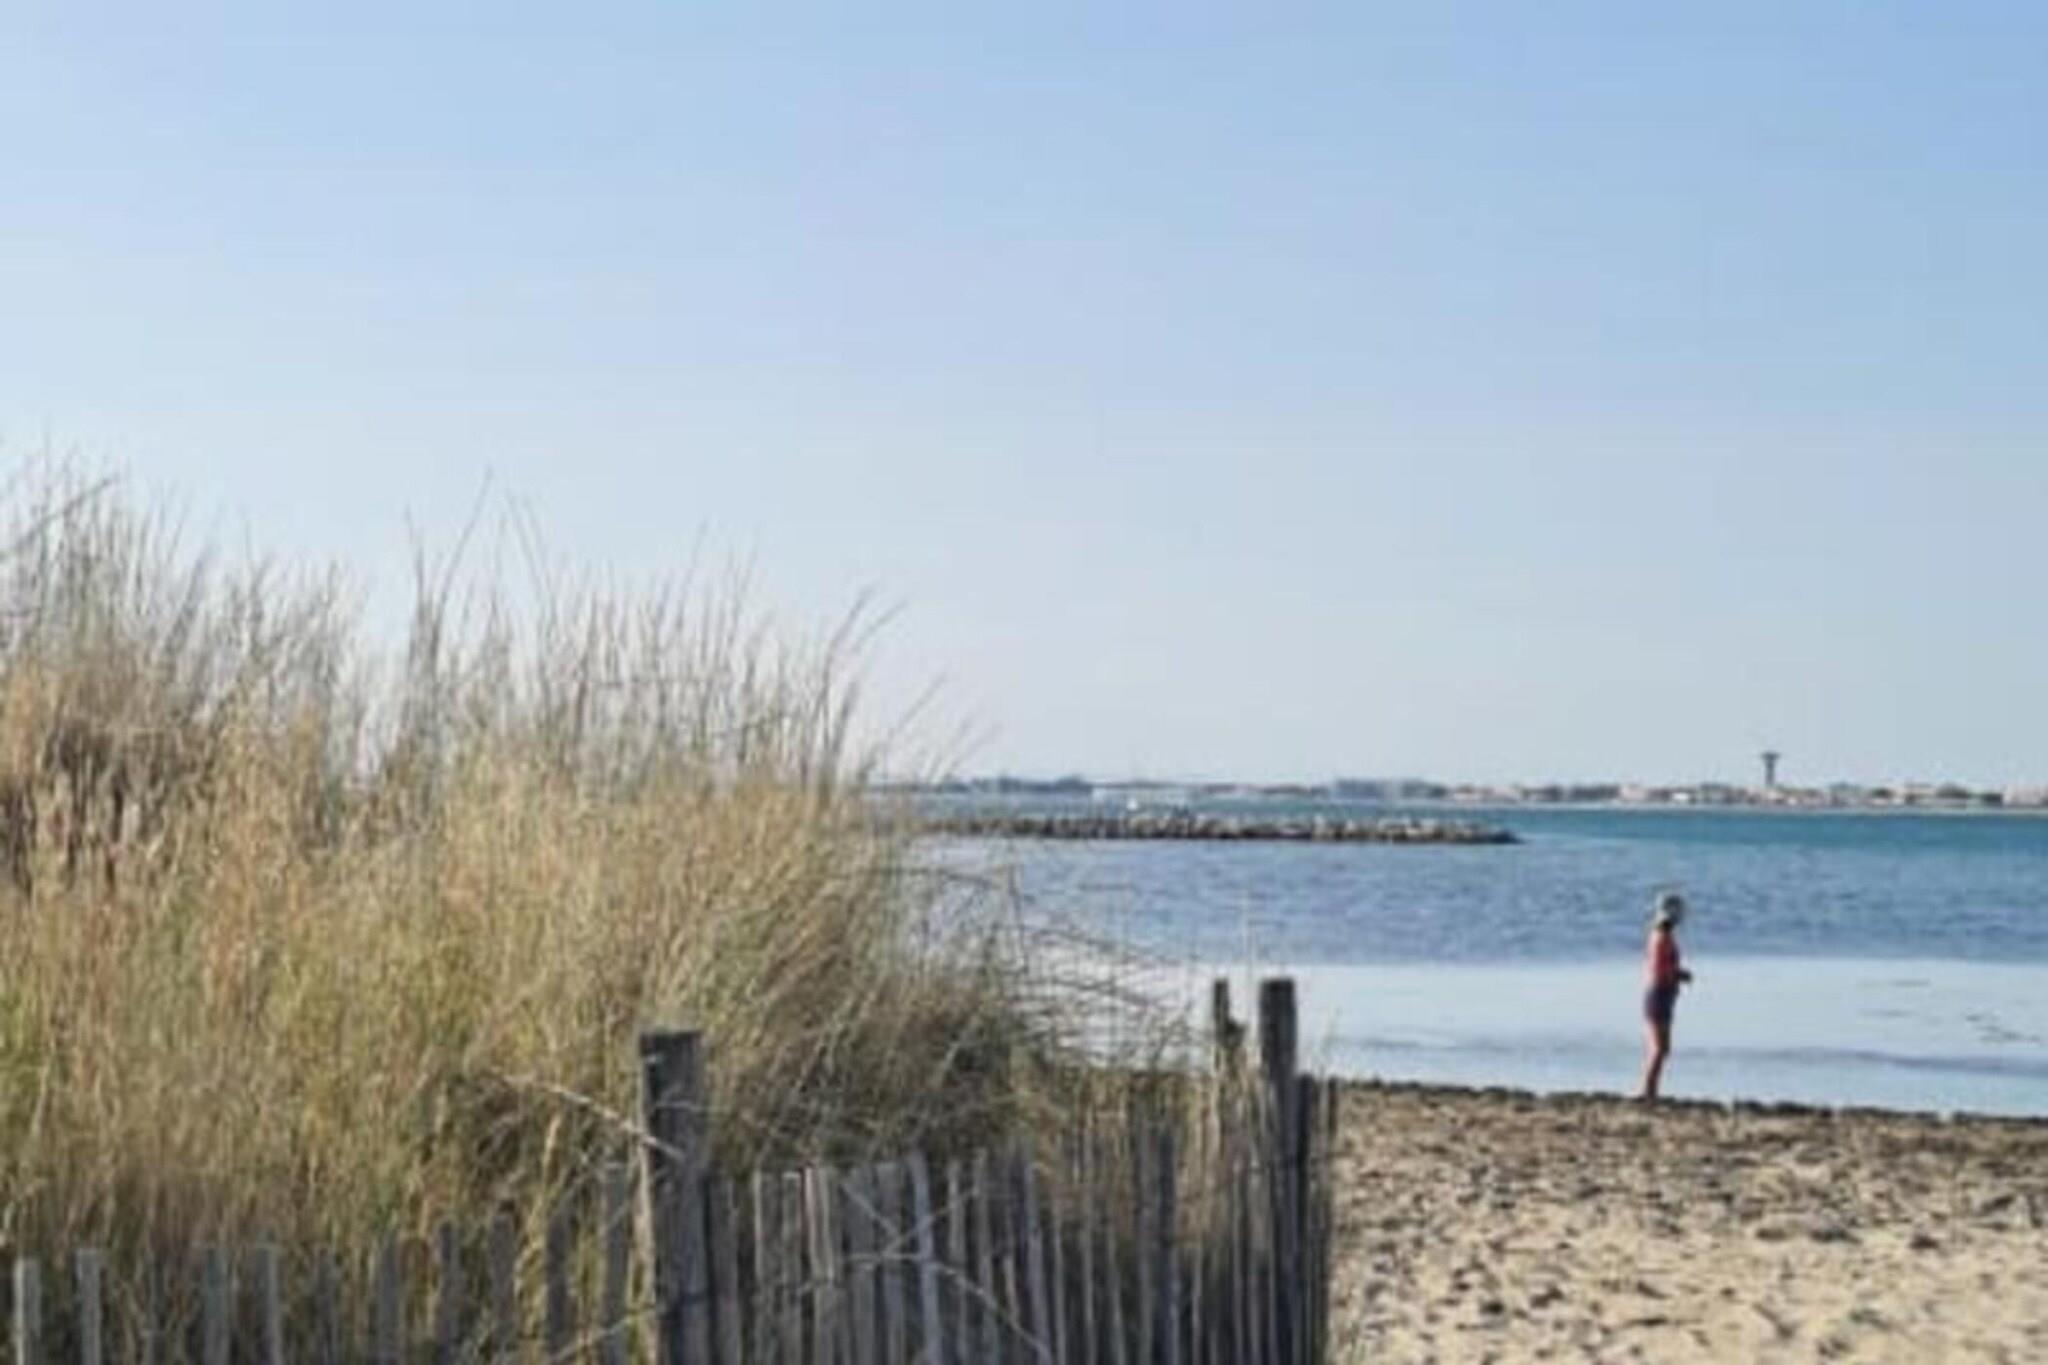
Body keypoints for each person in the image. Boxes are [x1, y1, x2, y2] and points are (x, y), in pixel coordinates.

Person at [1638, 890, 1694, 1101]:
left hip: (1664, 994)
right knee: (1659, 1048)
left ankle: (1651, 1090)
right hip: (1659, 994)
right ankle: (1648, 1091)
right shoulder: (1661, 937)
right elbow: (1659, 969)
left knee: (1663, 1048)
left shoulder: (1664, 935)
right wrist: (1678, 975)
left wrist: (1678, 974)